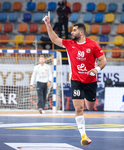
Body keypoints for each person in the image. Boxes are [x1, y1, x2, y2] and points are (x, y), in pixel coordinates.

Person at [44, 16, 107, 146]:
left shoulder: (93, 44)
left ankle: (87, 104)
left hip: (90, 81)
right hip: (76, 81)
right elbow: (55, 39)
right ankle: (83, 135)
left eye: (74, 30)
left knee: (90, 107)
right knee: (79, 108)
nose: (71, 32)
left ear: (81, 32)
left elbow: (103, 60)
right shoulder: (69, 44)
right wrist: (48, 25)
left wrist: (97, 69)